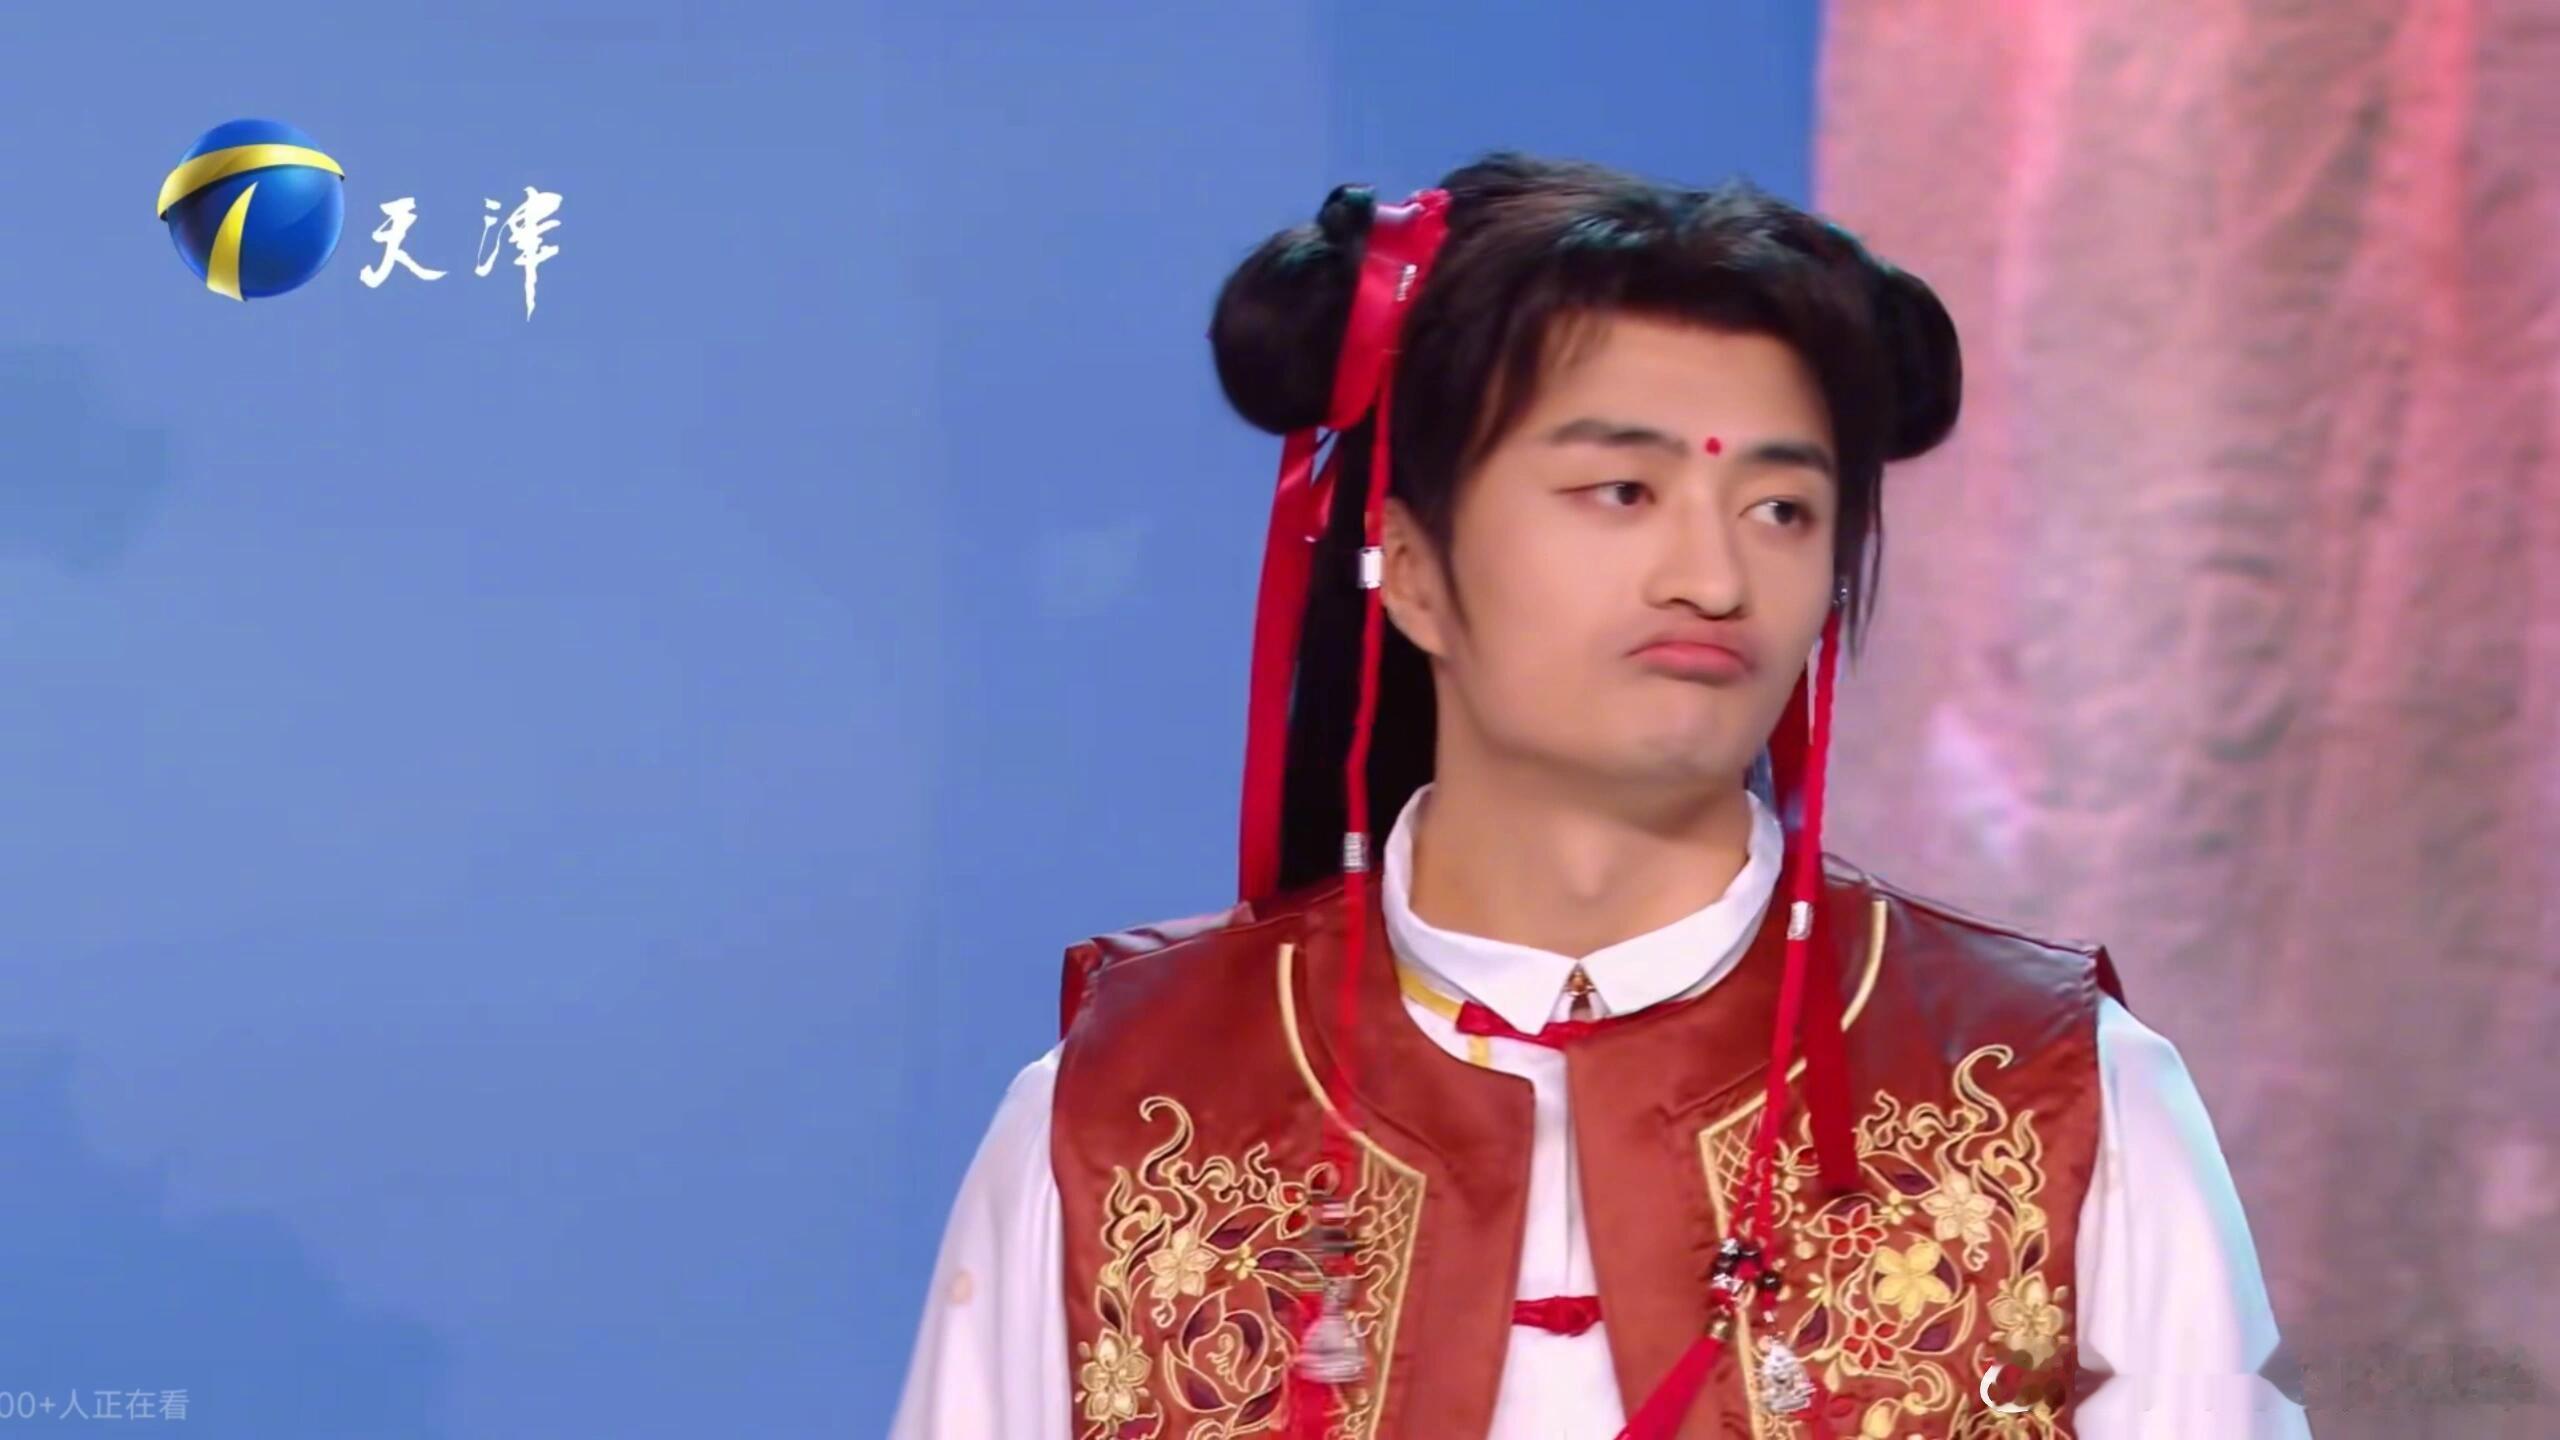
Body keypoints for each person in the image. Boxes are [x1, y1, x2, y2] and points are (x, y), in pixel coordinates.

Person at [890, 152, 2313, 1440]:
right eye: (1622, 491)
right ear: (1412, 568)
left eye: (1781, 509)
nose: (1712, 576)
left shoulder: (2050, 1094)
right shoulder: (1129, 1112)